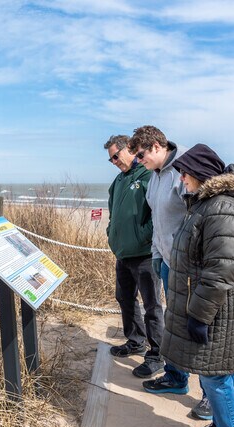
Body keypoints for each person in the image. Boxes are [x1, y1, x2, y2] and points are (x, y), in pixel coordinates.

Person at [161, 143, 234, 427]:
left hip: (219, 311)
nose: (181, 179)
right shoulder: (208, 203)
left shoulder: (222, 208)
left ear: (200, 173)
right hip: (218, 308)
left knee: (215, 377)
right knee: (223, 372)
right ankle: (221, 425)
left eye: (185, 173)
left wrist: (200, 316)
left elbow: (220, 271)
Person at [128, 126, 212, 421]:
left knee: (197, 328)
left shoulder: (184, 169)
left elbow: (203, 218)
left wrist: (186, 259)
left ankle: (209, 396)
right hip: (165, 262)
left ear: (155, 146)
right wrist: (155, 255)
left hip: (188, 265)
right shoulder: (154, 177)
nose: (137, 161)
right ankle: (176, 377)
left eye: (140, 155)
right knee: (174, 323)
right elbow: (158, 220)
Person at [104, 134, 165, 378]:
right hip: (123, 253)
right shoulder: (118, 181)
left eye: (115, 156)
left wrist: (142, 236)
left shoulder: (148, 175)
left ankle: (157, 354)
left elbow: (157, 213)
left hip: (144, 254)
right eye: (111, 160)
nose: (114, 162)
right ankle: (135, 340)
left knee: (152, 305)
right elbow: (113, 213)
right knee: (125, 298)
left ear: (129, 149)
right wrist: (112, 234)